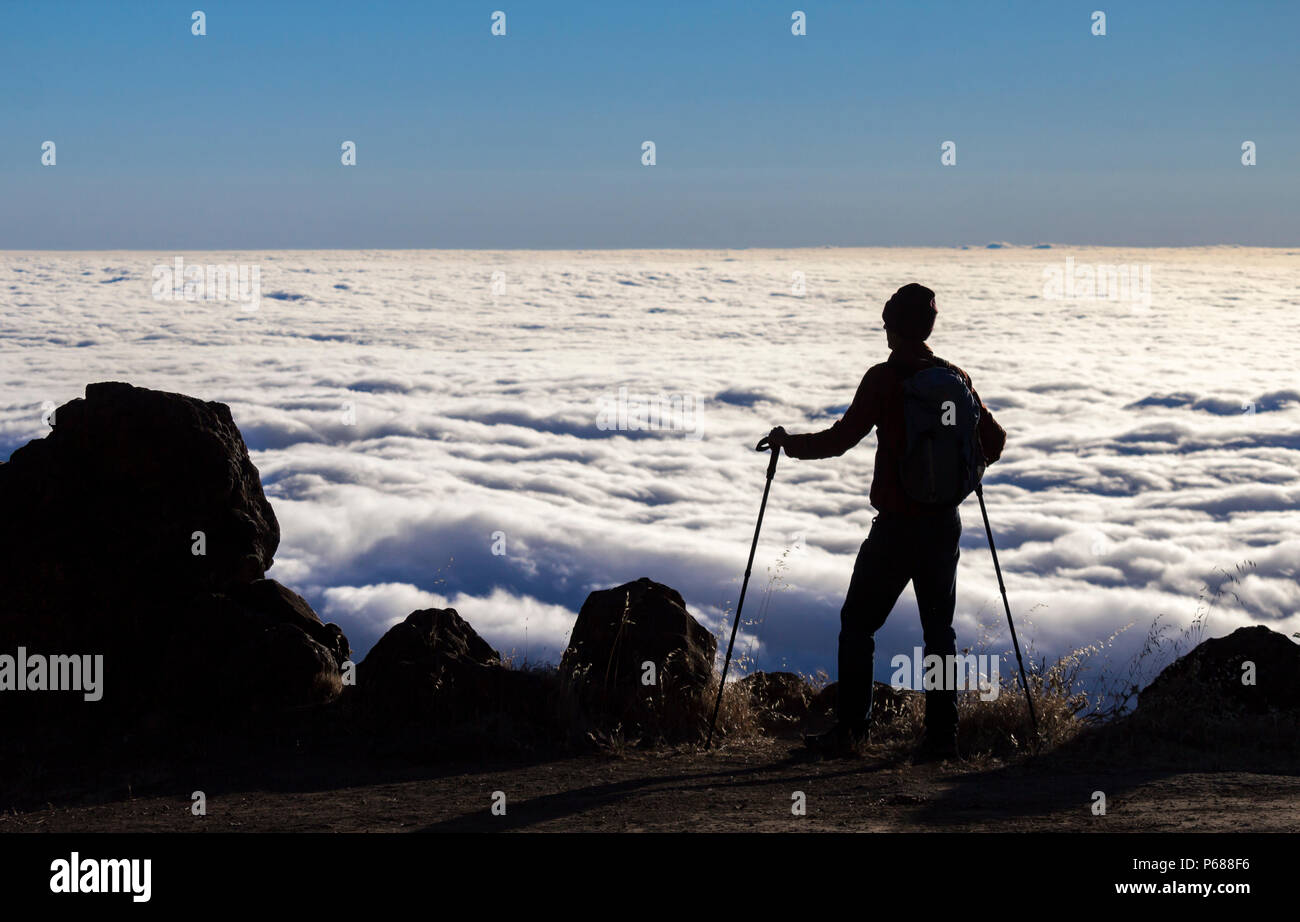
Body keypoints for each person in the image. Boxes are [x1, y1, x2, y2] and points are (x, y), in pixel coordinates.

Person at [758, 283, 1006, 761]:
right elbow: (993, 442)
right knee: (940, 633)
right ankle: (942, 738)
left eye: (888, 322)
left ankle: (852, 732)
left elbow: (840, 439)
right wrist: (956, 469)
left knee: (857, 625)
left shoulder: (884, 379)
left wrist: (788, 443)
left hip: (895, 528)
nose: (885, 331)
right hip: (942, 527)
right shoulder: (954, 377)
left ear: (896, 326)